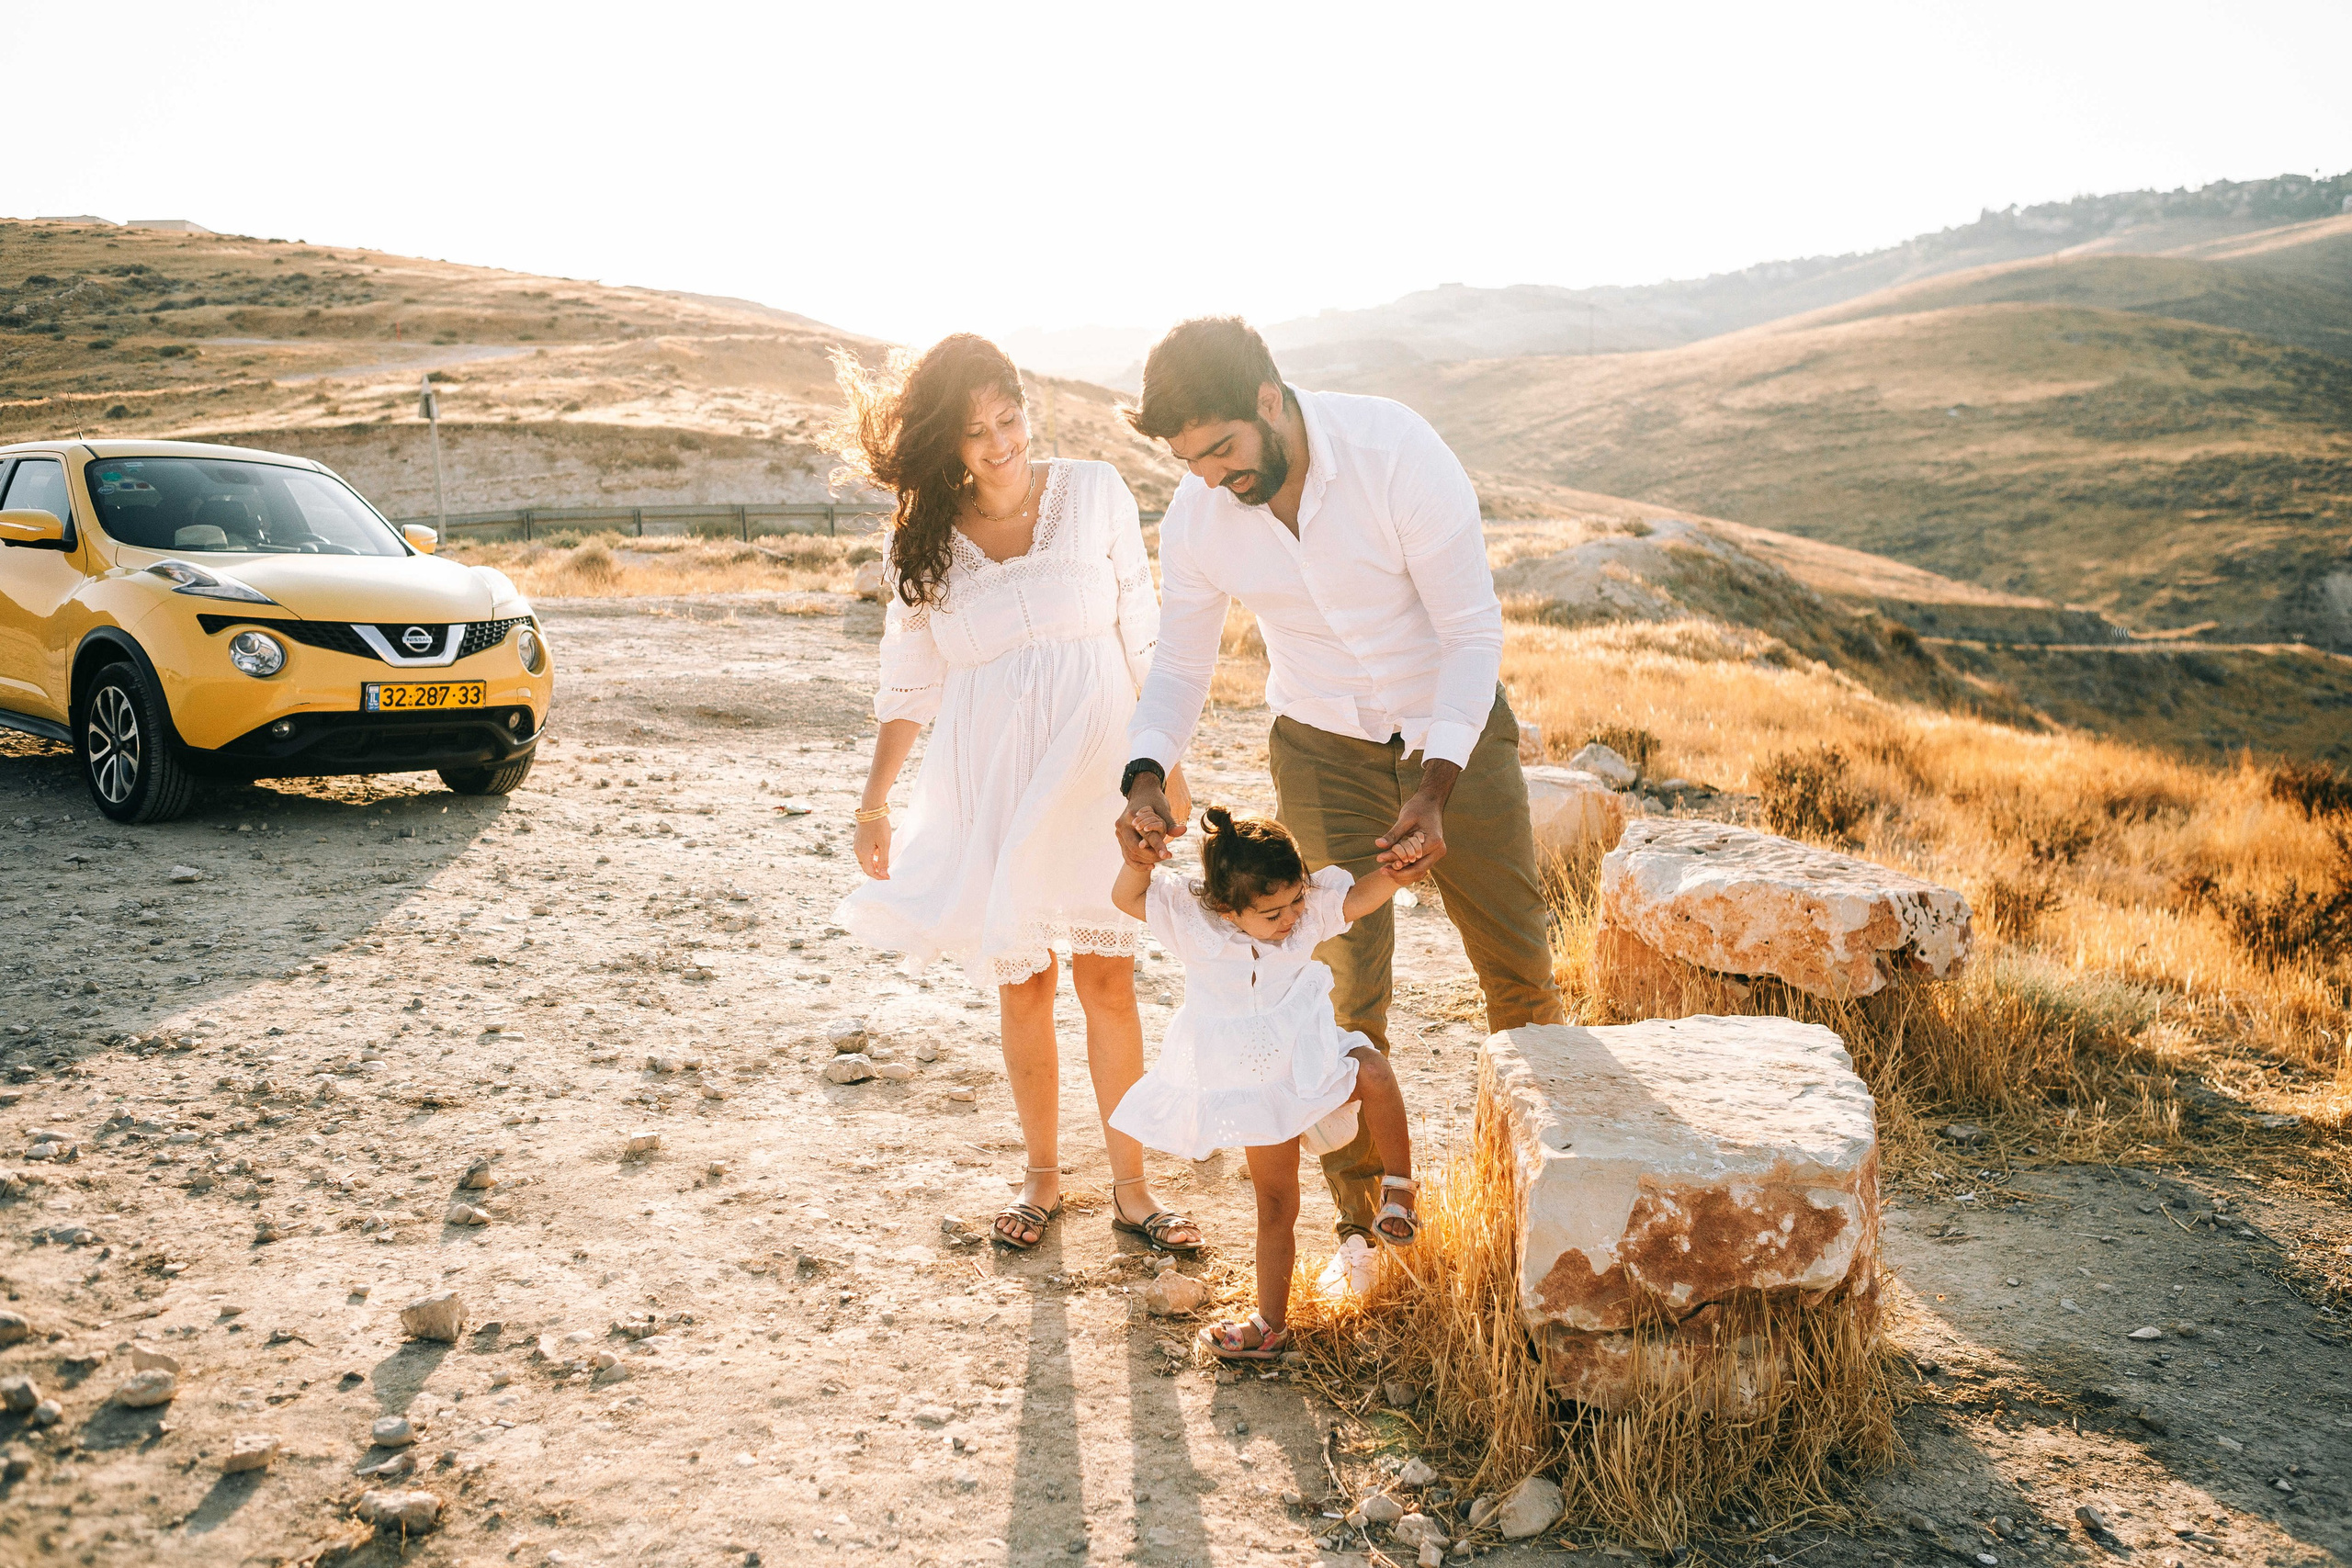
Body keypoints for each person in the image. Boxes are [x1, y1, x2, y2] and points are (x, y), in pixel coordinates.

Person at [1114, 316, 1566, 1297]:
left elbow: (1469, 632)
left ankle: (1550, 1211)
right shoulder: (1198, 520)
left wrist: (1437, 787)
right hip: (1319, 742)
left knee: (1517, 969)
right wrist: (1145, 771)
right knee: (1331, 990)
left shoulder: (1394, 451)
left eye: (1223, 450)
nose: (1210, 479)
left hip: (1448, 732)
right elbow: (1181, 661)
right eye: (1188, 461)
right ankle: (1371, 1235)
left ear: (1270, 400)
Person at [834, 333, 1200, 1256]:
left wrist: (1168, 761)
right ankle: (1042, 1178)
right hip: (992, 779)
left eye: (1010, 417)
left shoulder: (1094, 493)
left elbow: (1143, 631)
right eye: (975, 431)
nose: (1000, 443)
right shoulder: (920, 547)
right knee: (1025, 980)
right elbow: (908, 684)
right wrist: (875, 800)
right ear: (942, 444)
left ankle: (1132, 1187)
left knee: (1107, 977)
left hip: (1100, 772)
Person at [1108, 807, 1421, 1359]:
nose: (1291, 918)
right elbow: (1128, 899)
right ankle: (1270, 1326)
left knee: (1372, 1068)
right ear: (1228, 909)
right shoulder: (1193, 922)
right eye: (1273, 911)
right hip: (1255, 1090)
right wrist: (1137, 861)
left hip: (1310, 1064)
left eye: (1297, 899)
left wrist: (1396, 873)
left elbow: (1357, 899)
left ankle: (1399, 1192)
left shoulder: (1307, 915)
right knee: (1277, 1203)